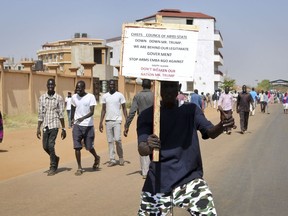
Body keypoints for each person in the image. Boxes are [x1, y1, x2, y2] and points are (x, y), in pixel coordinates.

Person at [136, 81, 234, 215]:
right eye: (165, 86)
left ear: (179, 88)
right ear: (158, 88)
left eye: (172, 86)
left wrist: (222, 125)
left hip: (189, 179)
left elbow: (210, 132)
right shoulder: (147, 115)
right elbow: (142, 149)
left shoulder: (191, 110)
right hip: (158, 182)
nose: (169, 90)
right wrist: (148, 145)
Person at [124, 79, 153, 179]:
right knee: (154, 143)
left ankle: (145, 171)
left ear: (142, 86)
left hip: (141, 122)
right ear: (150, 85)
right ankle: (153, 168)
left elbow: (132, 112)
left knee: (142, 144)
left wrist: (127, 125)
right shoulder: (154, 95)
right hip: (154, 122)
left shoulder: (137, 96)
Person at [36, 78, 66, 176]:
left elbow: (61, 115)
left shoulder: (59, 98)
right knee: (45, 146)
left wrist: (63, 129)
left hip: (54, 124)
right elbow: (40, 114)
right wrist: (38, 128)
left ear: (54, 86)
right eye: (49, 85)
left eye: (52, 85)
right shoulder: (42, 98)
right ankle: (55, 158)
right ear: (46, 86)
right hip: (45, 125)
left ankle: (53, 166)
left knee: (50, 145)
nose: (50, 87)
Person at [71, 80, 101, 176]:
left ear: (84, 88)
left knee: (89, 147)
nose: (77, 90)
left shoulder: (90, 97)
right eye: (76, 88)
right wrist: (72, 119)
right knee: (77, 147)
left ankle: (96, 157)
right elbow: (73, 108)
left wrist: (83, 118)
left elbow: (92, 112)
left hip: (88, 126)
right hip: (77, 125)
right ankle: (79, 167)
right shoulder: (74, 97)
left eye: (79, 88)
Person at [99, 79, 128, 167]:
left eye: (113, 85)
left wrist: (127, 121)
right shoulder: (105, 96)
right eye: (110, 85)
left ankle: (121, 157)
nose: (111, 86)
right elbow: (103, 109)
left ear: (115, 85)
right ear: (108, 86)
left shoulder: (120, 95)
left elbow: (124, 108)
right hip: (108, 121)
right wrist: (100, 122)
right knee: (110, 141)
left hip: (117, 120)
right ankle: (112, 159)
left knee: (117, 139)